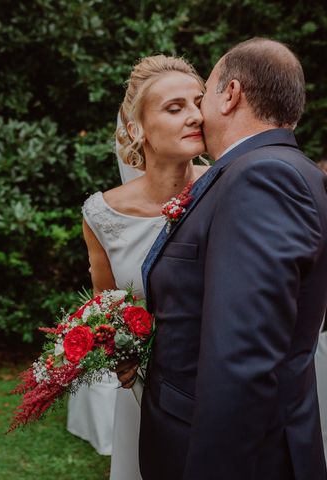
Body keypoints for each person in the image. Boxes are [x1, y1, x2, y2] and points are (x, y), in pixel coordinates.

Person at [135, 38, 327, 480]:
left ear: (232, 93)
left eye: (204, 96)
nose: (197, 114)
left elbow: (243, 359)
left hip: (224, 454)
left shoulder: (263, 177)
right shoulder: (283, 169)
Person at [72, 55, 207, 479]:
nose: (195, 115)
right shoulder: (102, 214)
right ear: (137, 130)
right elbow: (105, 303)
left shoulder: (226, 186)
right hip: (144, 395)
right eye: (174, 107)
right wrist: (117, 353)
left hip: (217, 387)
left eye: (198, 102)